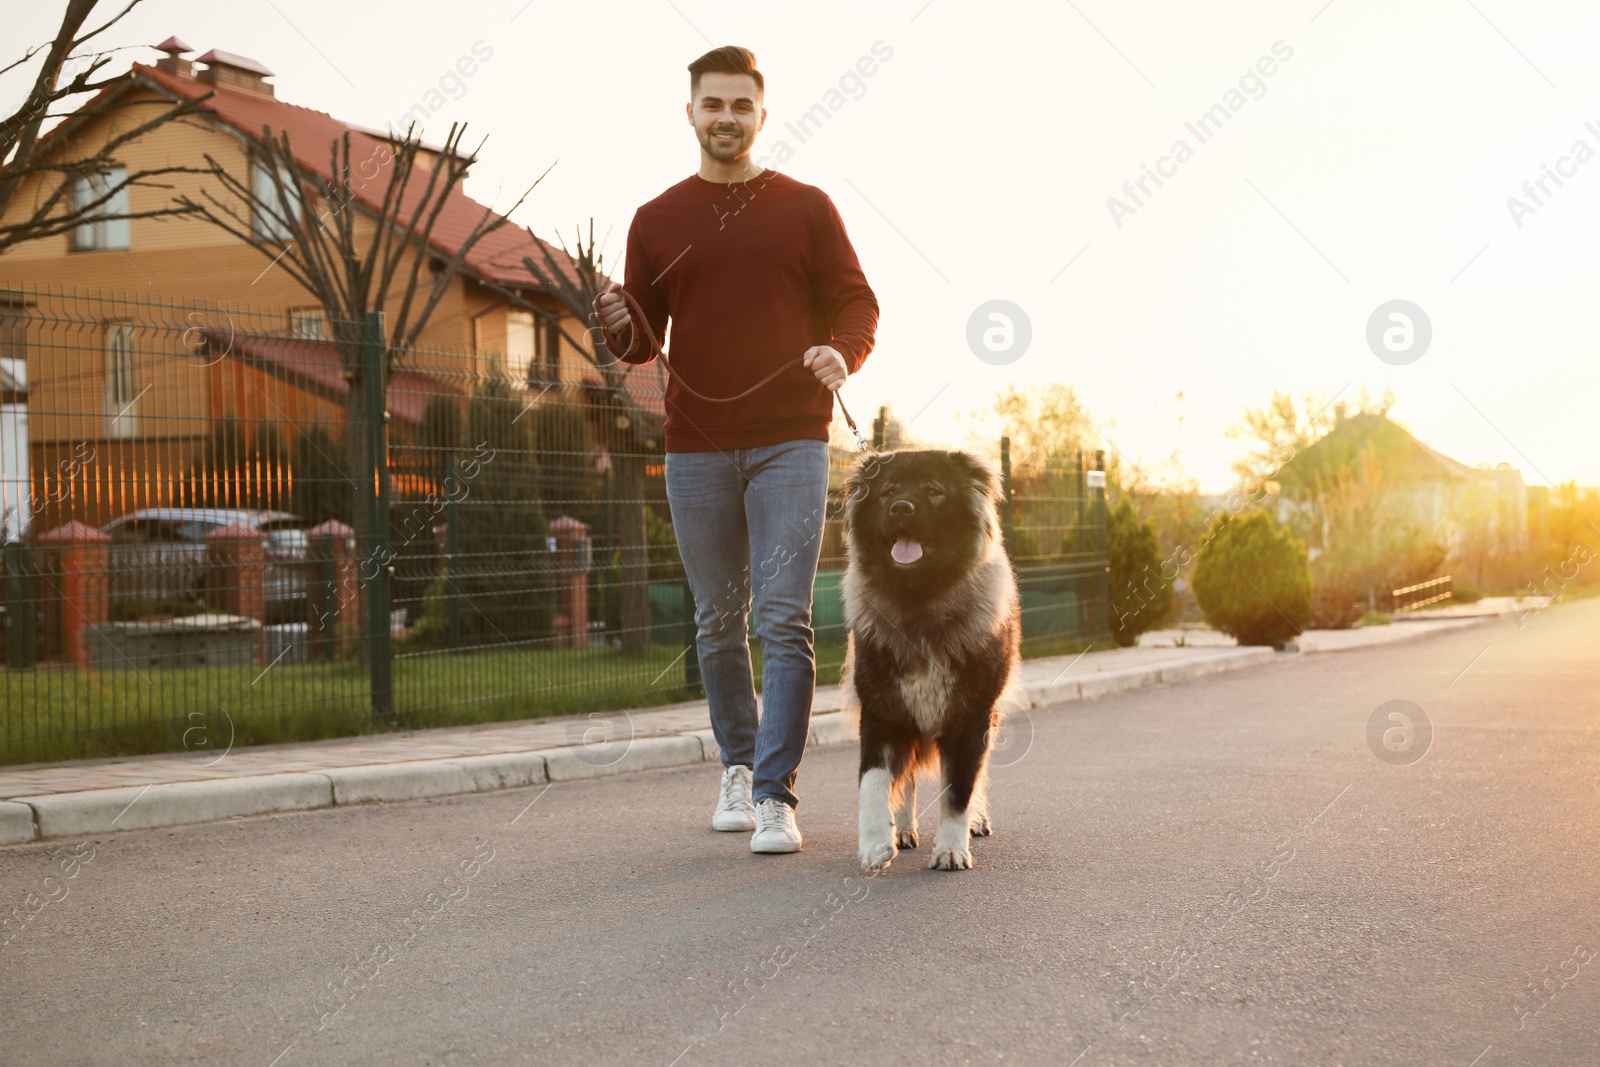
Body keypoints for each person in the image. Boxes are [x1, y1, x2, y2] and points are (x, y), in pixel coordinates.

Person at [595, 45, 878, 854]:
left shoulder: (806, 207)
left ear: (762, 114)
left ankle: (773, 795)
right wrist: (617, 325)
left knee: (785, 618)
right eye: (711, 105)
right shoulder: (655, 219)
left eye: (740, 105)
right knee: (720, 618)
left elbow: (856, 301)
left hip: (793, 439)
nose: (726, 118)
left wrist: (843, 353)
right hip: (696, 446)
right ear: (690, 113)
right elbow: (642, 342)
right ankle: (737, 761)